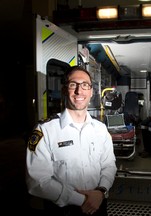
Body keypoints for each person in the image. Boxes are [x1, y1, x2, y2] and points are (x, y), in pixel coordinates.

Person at [25, 66, 117, 216]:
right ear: (64, 90)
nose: (79, 91)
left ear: (91, 92)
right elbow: (37, 181)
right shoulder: (44, 130)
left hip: (98, 205)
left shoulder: (100, 129)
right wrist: (82, 200)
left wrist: (100, 192)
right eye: (73, 85)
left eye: (85, 85)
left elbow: (109, 165)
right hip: (63, 210)